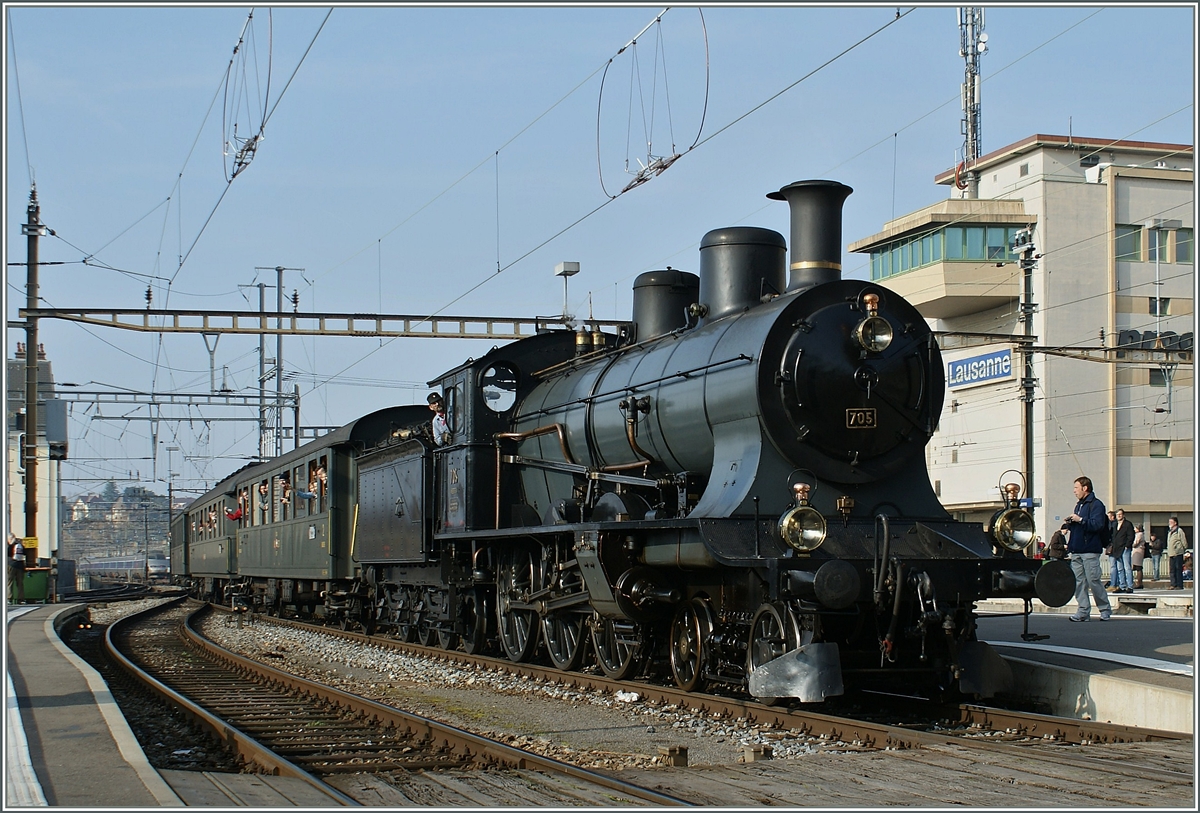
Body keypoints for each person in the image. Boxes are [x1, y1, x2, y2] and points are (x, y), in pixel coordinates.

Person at [1064, 475, 1112, 621]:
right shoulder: (1079, 505)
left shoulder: (1096, 505)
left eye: (1076, 488)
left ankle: (1104, 609)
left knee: (1093, 581)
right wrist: (1070, 524)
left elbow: (1097, 524)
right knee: (1079, 582)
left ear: (1085, 488)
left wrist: (1081, 520)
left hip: (1090, 549)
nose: (1074, 491)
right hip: (1077, 549)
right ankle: (1083, 611)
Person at [1111, 509, 1135, 593]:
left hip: (1125, 548)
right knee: (1119, 568)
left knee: (1127, 567)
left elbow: (1131, 535)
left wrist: (1127, 545)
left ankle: (1130, 586)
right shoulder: (1114, 524)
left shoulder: (1128, 524)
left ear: (1123, 515)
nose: (1119, 516)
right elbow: (1113, 536)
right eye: (1117, 514)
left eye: (1120, 514)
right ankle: (1122, 586)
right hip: (1117, 549)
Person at [1166, 516, 1189, 590]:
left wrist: (1183, 549)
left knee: (1178, 569)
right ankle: (1173, 584)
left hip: (1178, 552)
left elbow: (1184, 541)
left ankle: (1179, 585)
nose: (1169, 523)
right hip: (1171, 553)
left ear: (1175, 523)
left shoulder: (1179, 531)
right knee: (1172, 569)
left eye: (1171, 522)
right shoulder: (1170, 532)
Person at [7, 534, 26, 604]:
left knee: (9, 582)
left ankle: (9, 598)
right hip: (20, 565)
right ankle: (21, 599)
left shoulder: (10, 545)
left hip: (11, 565)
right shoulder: (20, 545)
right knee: (20, 583)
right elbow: (25, 553)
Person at [1130, 524, 1146, 589]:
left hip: (1138, 551)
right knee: (1136, 567)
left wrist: (1131, 544)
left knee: (1138, 567)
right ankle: (1138, 582)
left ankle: (1139, 583)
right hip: (1138, 551)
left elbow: (1135, 543)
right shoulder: (1140, 534)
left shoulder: (1139, 535)